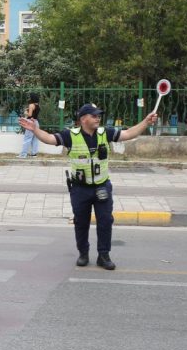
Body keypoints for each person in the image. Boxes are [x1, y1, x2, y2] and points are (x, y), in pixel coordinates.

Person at [20, 103, 158, 271]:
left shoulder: (104, 133)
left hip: (102, 186)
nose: (98, 118)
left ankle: (103, 255)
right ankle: (83, 253)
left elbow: (129, 133)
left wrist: (145, 122)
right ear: (83, 119)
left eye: (99, 115)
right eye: (94, 115)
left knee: (105, 222)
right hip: (80, 189)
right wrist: (35, 130)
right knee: (81, 223)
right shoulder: (71, 135)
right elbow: (50, 139)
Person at [18, 93, 41, 158]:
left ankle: (23, 154)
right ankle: (34, 154)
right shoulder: (38, 105)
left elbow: (30, 114)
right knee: (35, 138)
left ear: (32, 98)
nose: (29, 98)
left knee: (27, 138)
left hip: (30, 122)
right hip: (36, 122)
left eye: (30, 97)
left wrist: (26, 112)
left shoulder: (31, 105)